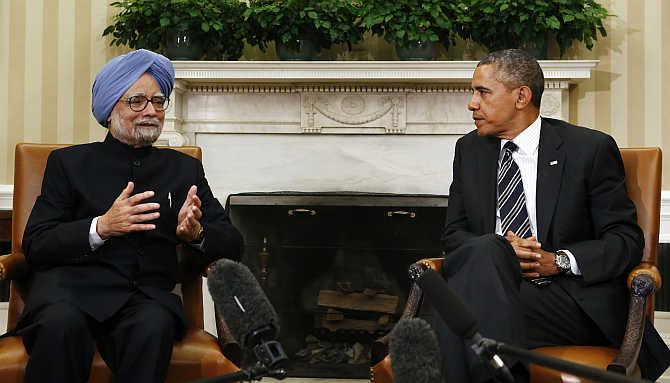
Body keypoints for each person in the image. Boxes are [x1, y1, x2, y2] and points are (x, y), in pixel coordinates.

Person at [437, 48, 670, 382]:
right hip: (497, 286)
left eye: (482, 92)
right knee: (487, 254)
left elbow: (625, 240)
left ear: (521, 96)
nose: (472, 103)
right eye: (473, 93)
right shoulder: (470, 150)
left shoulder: (587, 149)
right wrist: (502, 252)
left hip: (567, 297)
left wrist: (557, 260)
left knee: (457, 313)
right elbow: (454, 234)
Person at [14, 49, 243, 383]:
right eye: (136, 101)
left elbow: (234, 245)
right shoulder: (69, 164)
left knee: (153, 326)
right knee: (60, 325)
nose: (150, 111)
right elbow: (36, 244)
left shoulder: (184, 169)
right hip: (70, 292)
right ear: (109, 110)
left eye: (157, 101)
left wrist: (196, 234)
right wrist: (101, 227)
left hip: (145, 297)